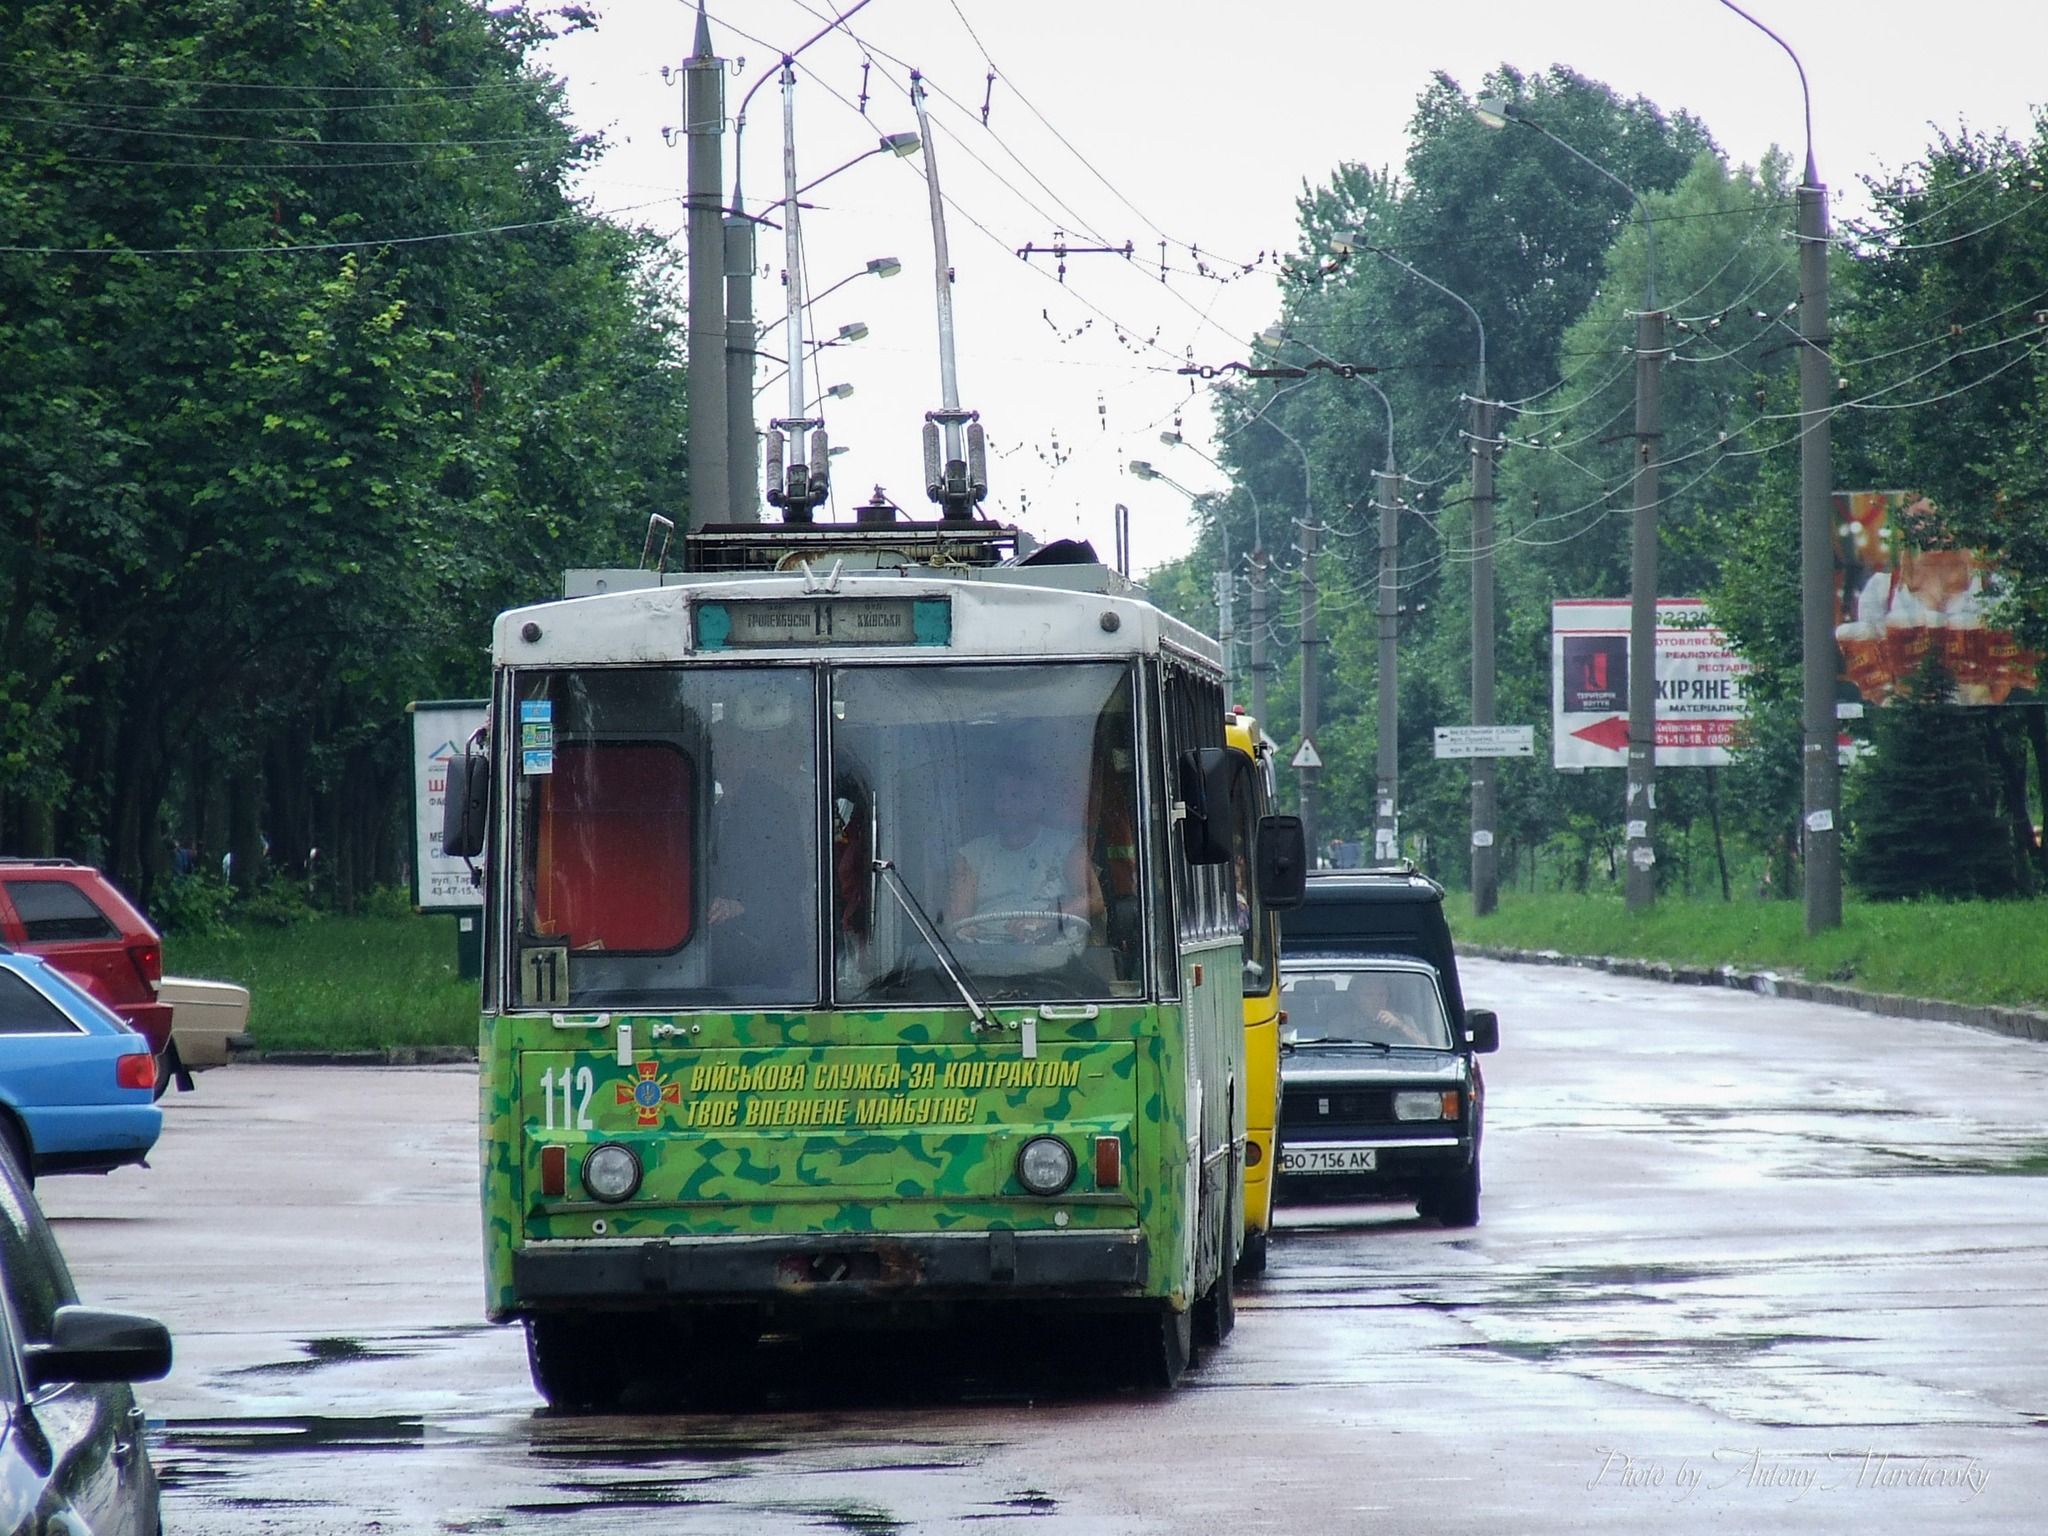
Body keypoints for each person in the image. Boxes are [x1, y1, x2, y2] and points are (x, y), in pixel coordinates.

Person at [944, 755, 1103, 950]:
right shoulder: (972, 854)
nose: (1008, 805)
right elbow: (958, 919)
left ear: (1040, 801)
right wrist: (963, 933)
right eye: (1001, 796)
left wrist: (1046, 920)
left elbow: (1093, 899)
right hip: (987, 959)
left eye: (1018, 796)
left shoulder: (1067, 847)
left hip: (1057, 959)